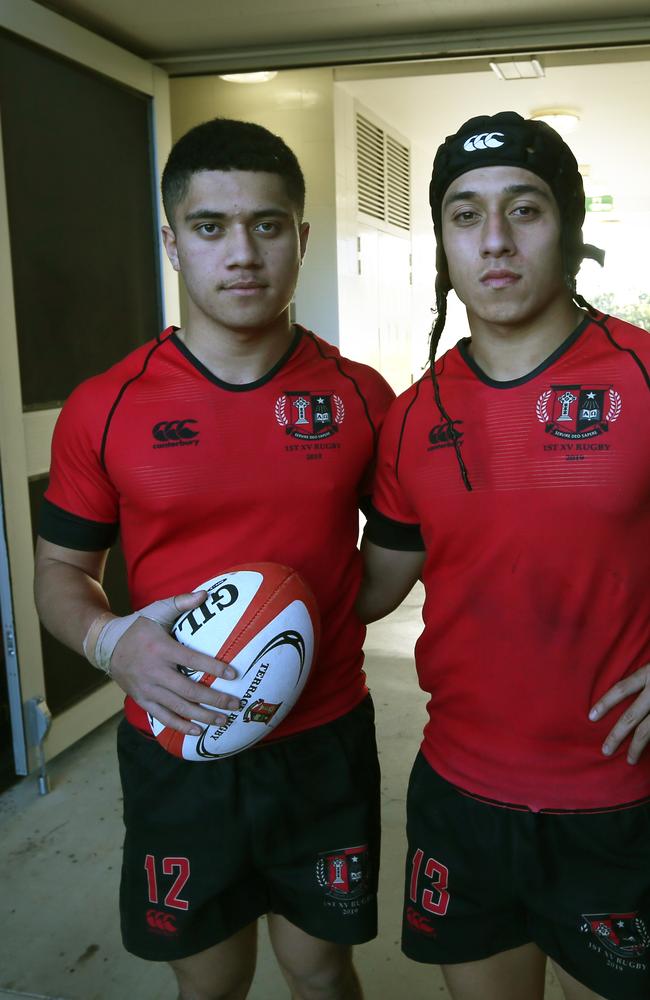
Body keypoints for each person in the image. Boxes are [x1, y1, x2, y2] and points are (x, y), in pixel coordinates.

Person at [34, 118, 394, 1000]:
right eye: (210, 227)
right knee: (211, 979)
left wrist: (306, 633)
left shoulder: (360, 398)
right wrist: (113, 643)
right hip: (175, 740)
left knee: (319, 969)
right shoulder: (105, 407)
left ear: (301, 239)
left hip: (325, 741)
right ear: (171, 241)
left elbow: (392, 562)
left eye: (268, 225)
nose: (243, 253)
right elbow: (57, 573)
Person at [357, 111, 650, 1000]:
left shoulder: (640, 377)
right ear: (442, 240)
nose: (494, 240)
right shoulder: (412, 416)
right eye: (464, 213)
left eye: (523, 209)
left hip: (623, 800)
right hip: (462, 791)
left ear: (567, 225)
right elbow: (374, 585)